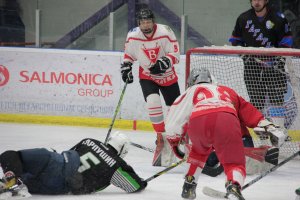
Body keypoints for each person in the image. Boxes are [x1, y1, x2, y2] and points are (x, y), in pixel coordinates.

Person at [164, 68, 287, 200]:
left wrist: (174, 142)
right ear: (211, 79)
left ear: (191, 82)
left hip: (198, 122)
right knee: (234, 162)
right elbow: (249, 112)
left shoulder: (191, 91)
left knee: (198, 152)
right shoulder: (227, 90)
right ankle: (233, 187)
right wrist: (269, 127)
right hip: (226, 121)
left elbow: (173, 121)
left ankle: (189, 184)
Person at [0, 132, 147, 197]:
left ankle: (12, 177)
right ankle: (17, 184)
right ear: (122, 150)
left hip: (54, 159)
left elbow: (70, 151)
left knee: (11, 155)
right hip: (58, 184)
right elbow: (132, 186)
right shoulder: (116, 165)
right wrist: (142, 183)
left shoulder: (89, 141)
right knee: (32, 182)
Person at [121, 7, 180, 167]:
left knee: (175, 110)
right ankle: (161, 137)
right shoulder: (133, 35)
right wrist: (126, 67)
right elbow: (129, 55)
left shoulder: (165, 32)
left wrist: (164, 62)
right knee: (152, 102)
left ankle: (176, 137)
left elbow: (175, 55)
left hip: (167, 77)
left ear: (153, 21)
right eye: (143, 22)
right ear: (139, 23)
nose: (146, 25)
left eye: (148, 21)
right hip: (147, 76)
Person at [229, 0, 293, 128]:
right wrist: (244, 54)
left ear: (266, 1)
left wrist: (280, 58)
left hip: (274, 68)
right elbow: (235, 40)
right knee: (256, 101)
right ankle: (260, 132)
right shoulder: (243, 18)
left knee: (277, 100)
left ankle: (278, 130)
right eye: (254, 0)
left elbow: (287, 40)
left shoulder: (278, 18)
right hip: (252, 67)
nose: (257, 2)